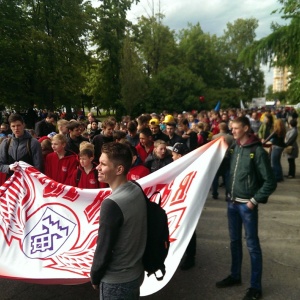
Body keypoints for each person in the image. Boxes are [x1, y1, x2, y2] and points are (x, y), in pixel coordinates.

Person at [216, 116, 277, 300]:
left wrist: (254, 201)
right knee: (234, 242)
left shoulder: (257, 151)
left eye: (235, 128)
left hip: (246, 206)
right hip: (232, 203)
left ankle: (255, 287)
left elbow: (270, 182)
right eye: (232, 128)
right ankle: (235, 276)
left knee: (252, 246)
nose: (232, 131)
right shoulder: (235, 147)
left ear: (245, 128)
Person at [90, 142, 147, 299]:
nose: (97, 168)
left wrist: (95, 275)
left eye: (103, 164)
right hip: (135, 274)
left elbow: (104, 247)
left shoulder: (111, 204)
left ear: (119, 169)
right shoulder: (136, 188)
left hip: (116, 282)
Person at [171, 142, 196, 270]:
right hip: (179, 203)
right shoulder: (175, 167)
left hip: (187, 204)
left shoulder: (191, 168)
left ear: (180, 156)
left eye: (174, 155)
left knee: (188, 229)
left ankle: (190, 256)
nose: (172, 157)